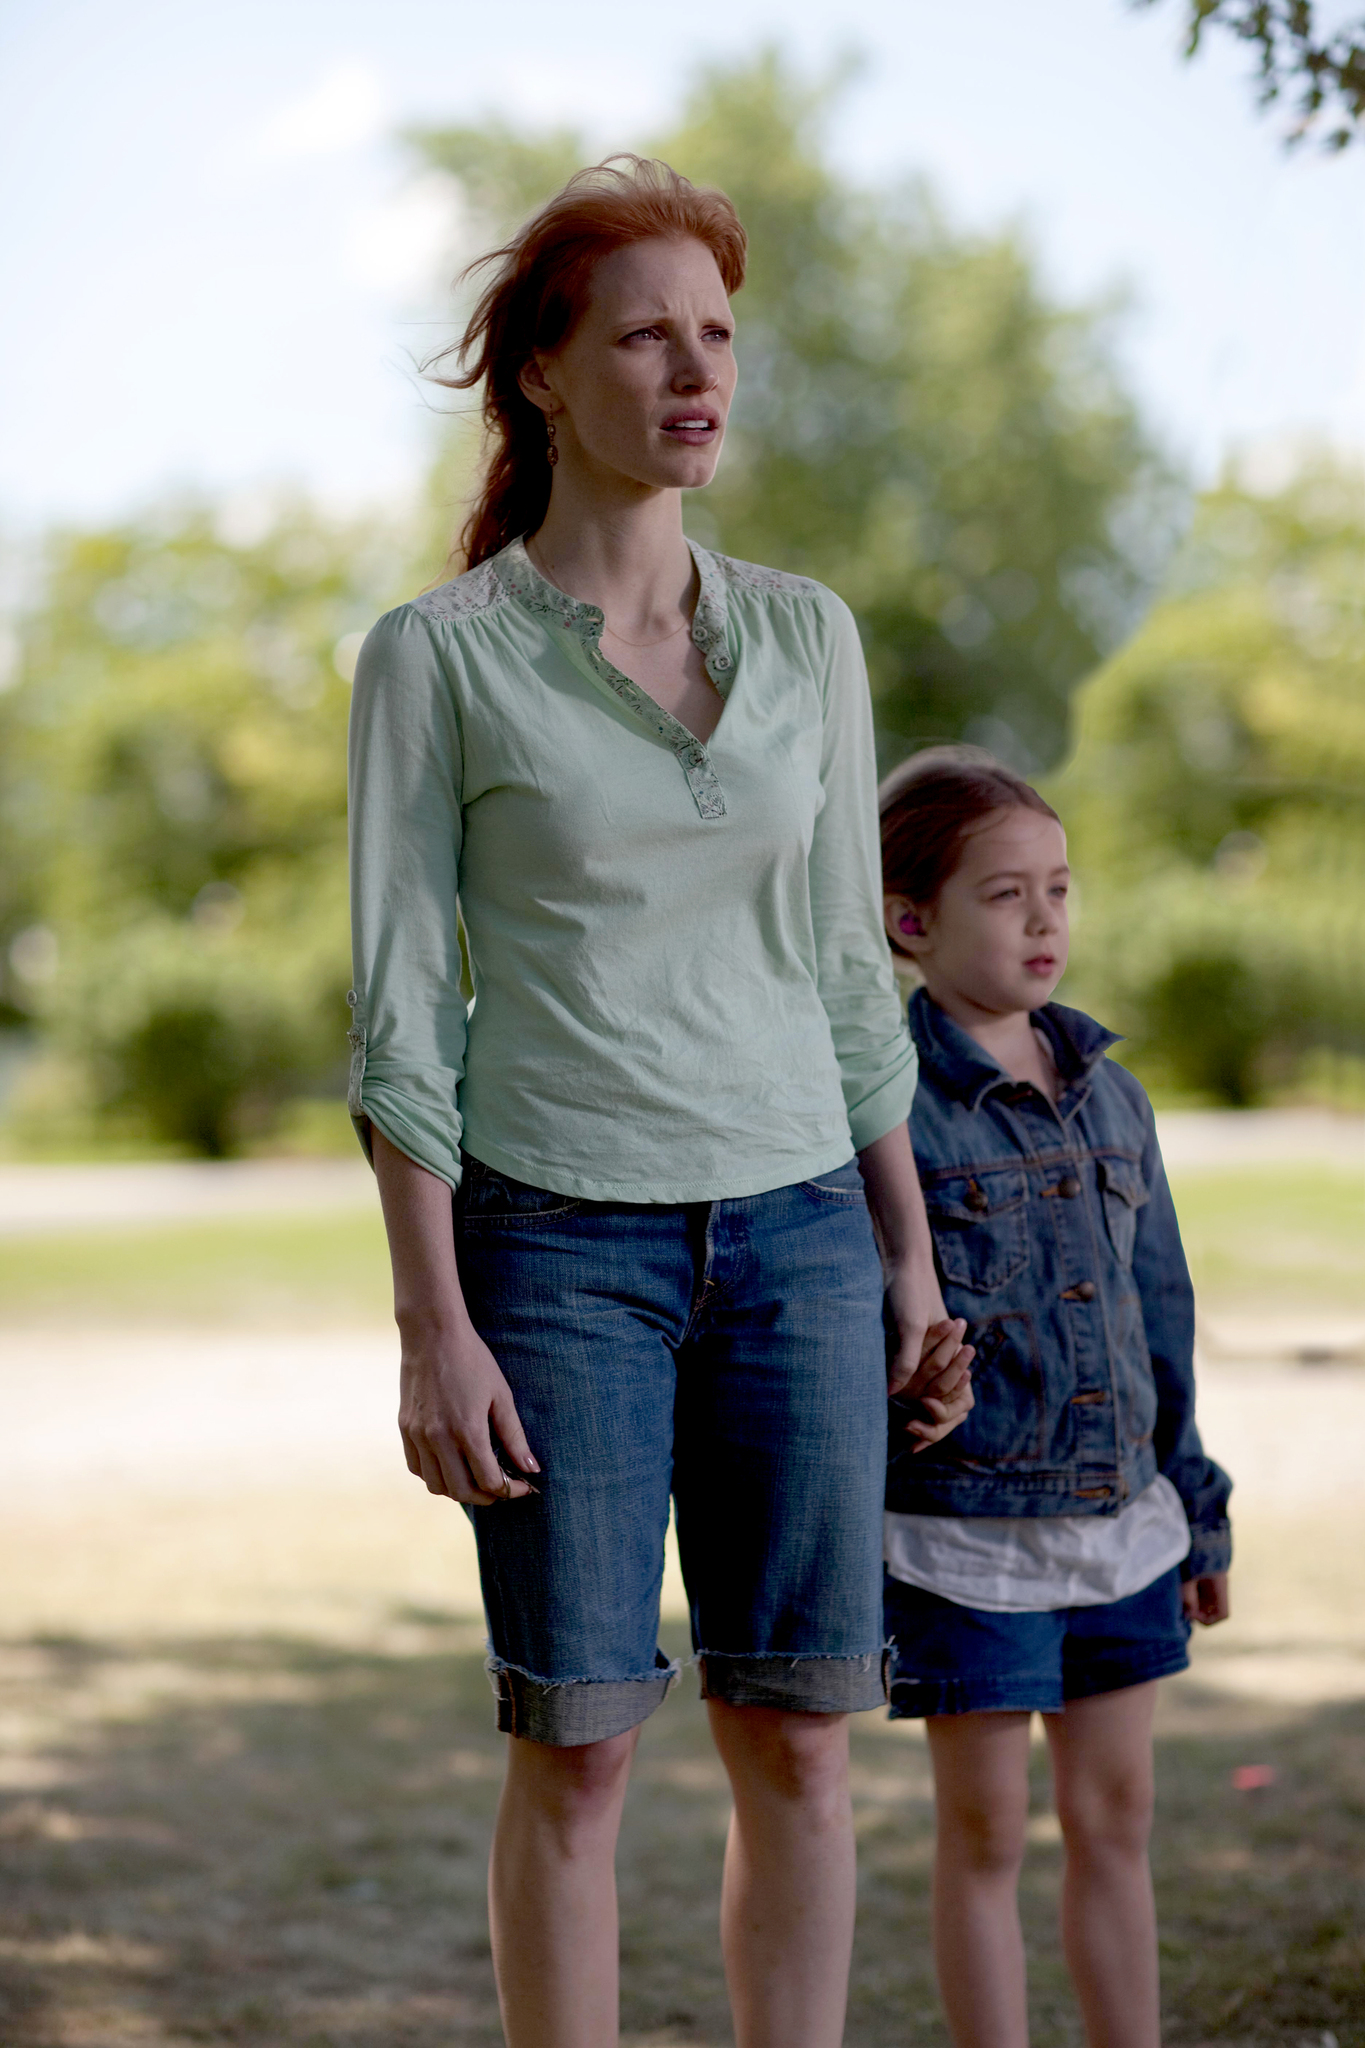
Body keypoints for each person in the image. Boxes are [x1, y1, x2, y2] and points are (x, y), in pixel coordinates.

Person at [346, 157, 973, 2048]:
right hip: (553, 1253)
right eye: (645, 335)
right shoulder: (437, 661)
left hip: (797, 1240)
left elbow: (850, 982)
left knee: (798, 1741)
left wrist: (909, 1262)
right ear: (543, 373)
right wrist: (430, 1323)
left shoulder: (805, 638)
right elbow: (398, 1014)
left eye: (717, 335)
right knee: (585, 1755)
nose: (696, 372)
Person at [875, 747, 1233, 2048]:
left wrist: (1193, 1506)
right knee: (981, 1839)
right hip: (965, 1541)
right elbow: (863, 1321)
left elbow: (1161, 1314)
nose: (1043, 921)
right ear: (908, 919)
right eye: (1004, 894)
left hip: (1118, 1522)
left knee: (1115, 1819)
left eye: (1060, 890)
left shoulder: (1113, 1095)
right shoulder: (886, 1110)